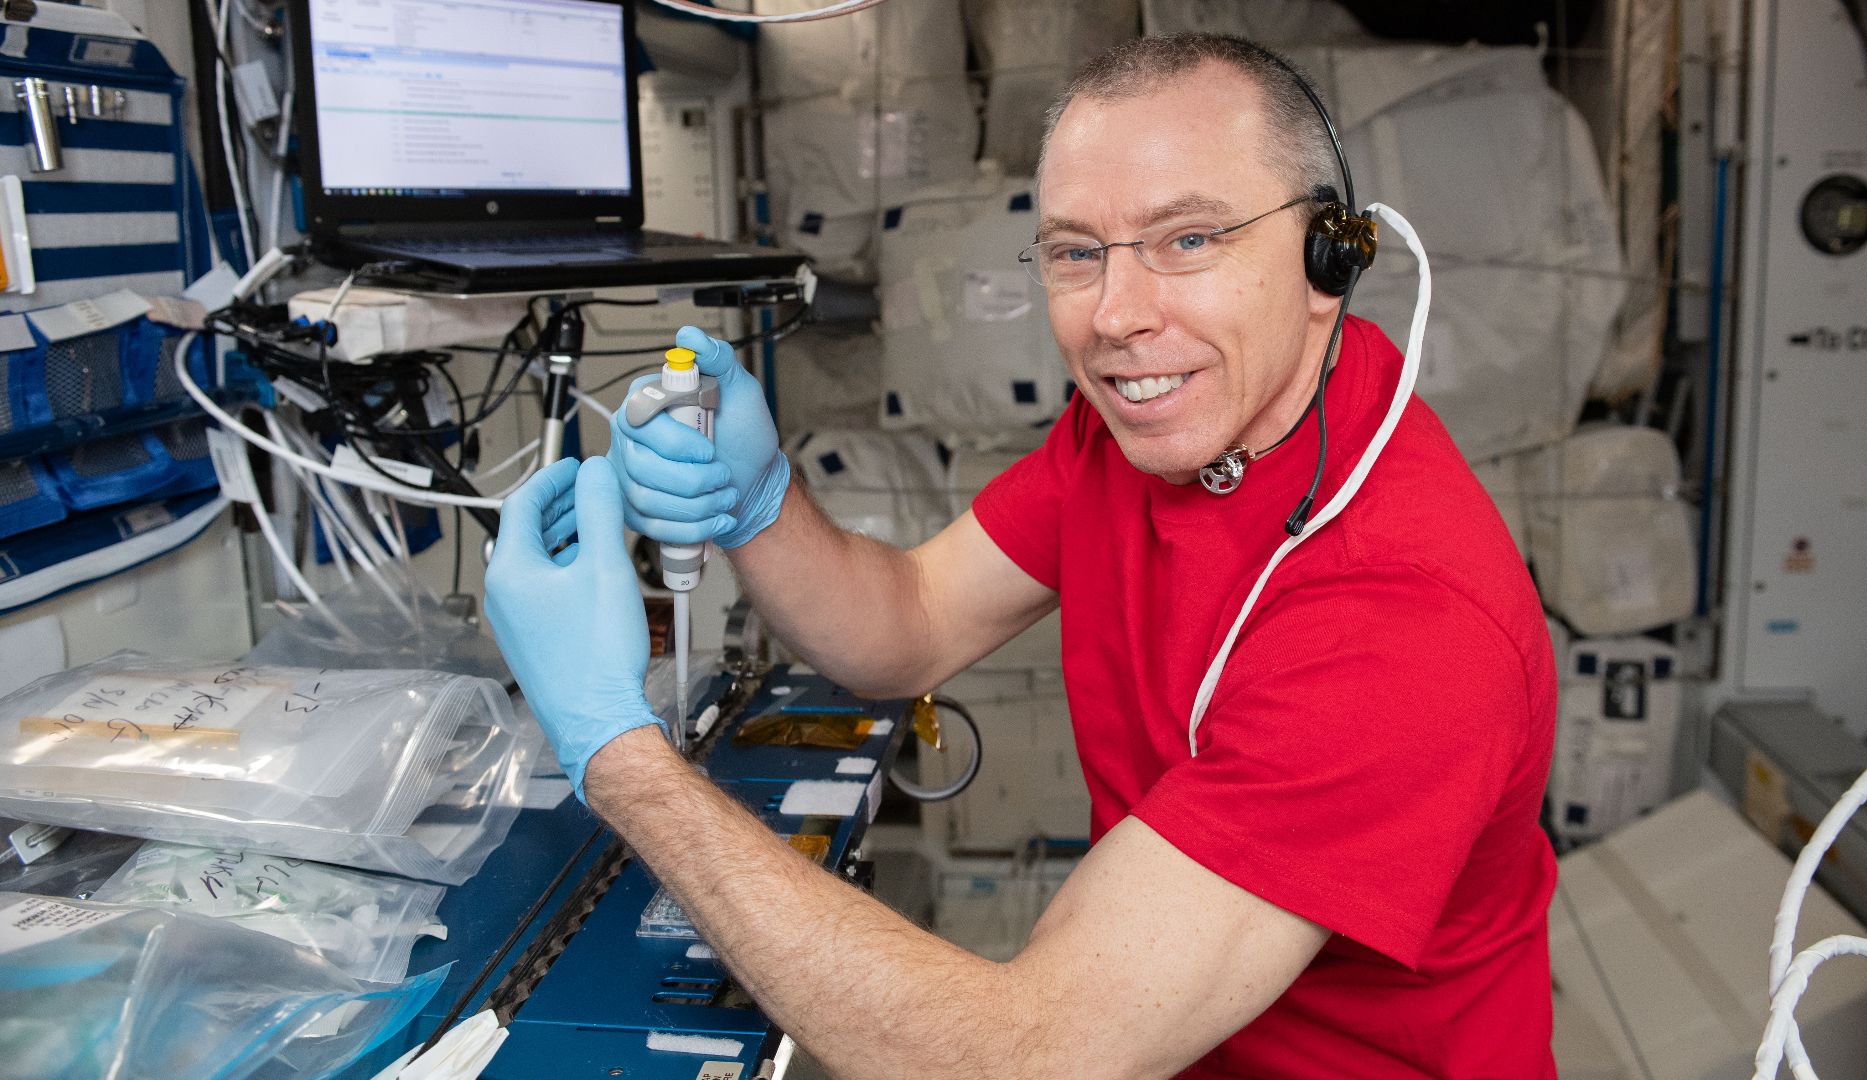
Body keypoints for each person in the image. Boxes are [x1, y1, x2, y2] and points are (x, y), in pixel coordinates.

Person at [485, 33, 1557, 1079]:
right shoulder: (1164, 428)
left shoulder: (1404, 617)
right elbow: (907, 625)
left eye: (1189, 239)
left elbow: (1028, 1055)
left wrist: (616, 748)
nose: (1116, 316)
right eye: (1075, 252)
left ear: (1330, 256)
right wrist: (761, 505)